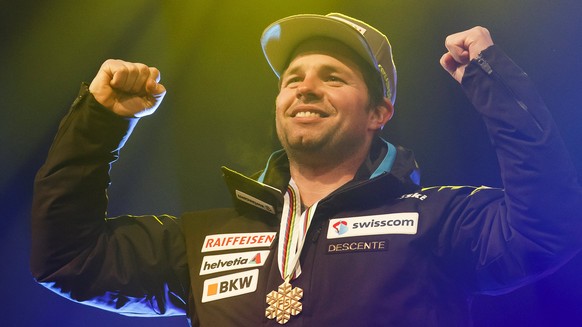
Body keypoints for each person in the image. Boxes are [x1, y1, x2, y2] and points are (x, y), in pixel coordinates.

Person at [31, 12, 582, 327]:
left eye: (333, 77)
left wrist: (491, 79)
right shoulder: (202, 238)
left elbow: (548, 228)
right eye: (293, 77)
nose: (306, 86)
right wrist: (99, 123)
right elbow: (69, 259)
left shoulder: (439, 219)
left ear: (378, 114)